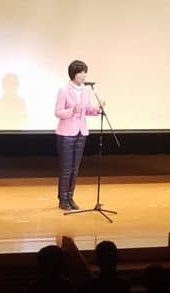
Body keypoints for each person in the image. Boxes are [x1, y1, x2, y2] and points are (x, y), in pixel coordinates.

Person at [55, 60, 104, 211]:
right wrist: (71, 111)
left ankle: (70, 197)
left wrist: (97, 109)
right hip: (66, 134)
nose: (84, 75)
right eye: (81, 72)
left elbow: (86, 109)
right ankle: (63, 199)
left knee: (75, 169)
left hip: (81, 132)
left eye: (85, 72)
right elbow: (58, 112)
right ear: (73, 74)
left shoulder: (86, 90)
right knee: (66, 169)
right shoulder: (64, 90)